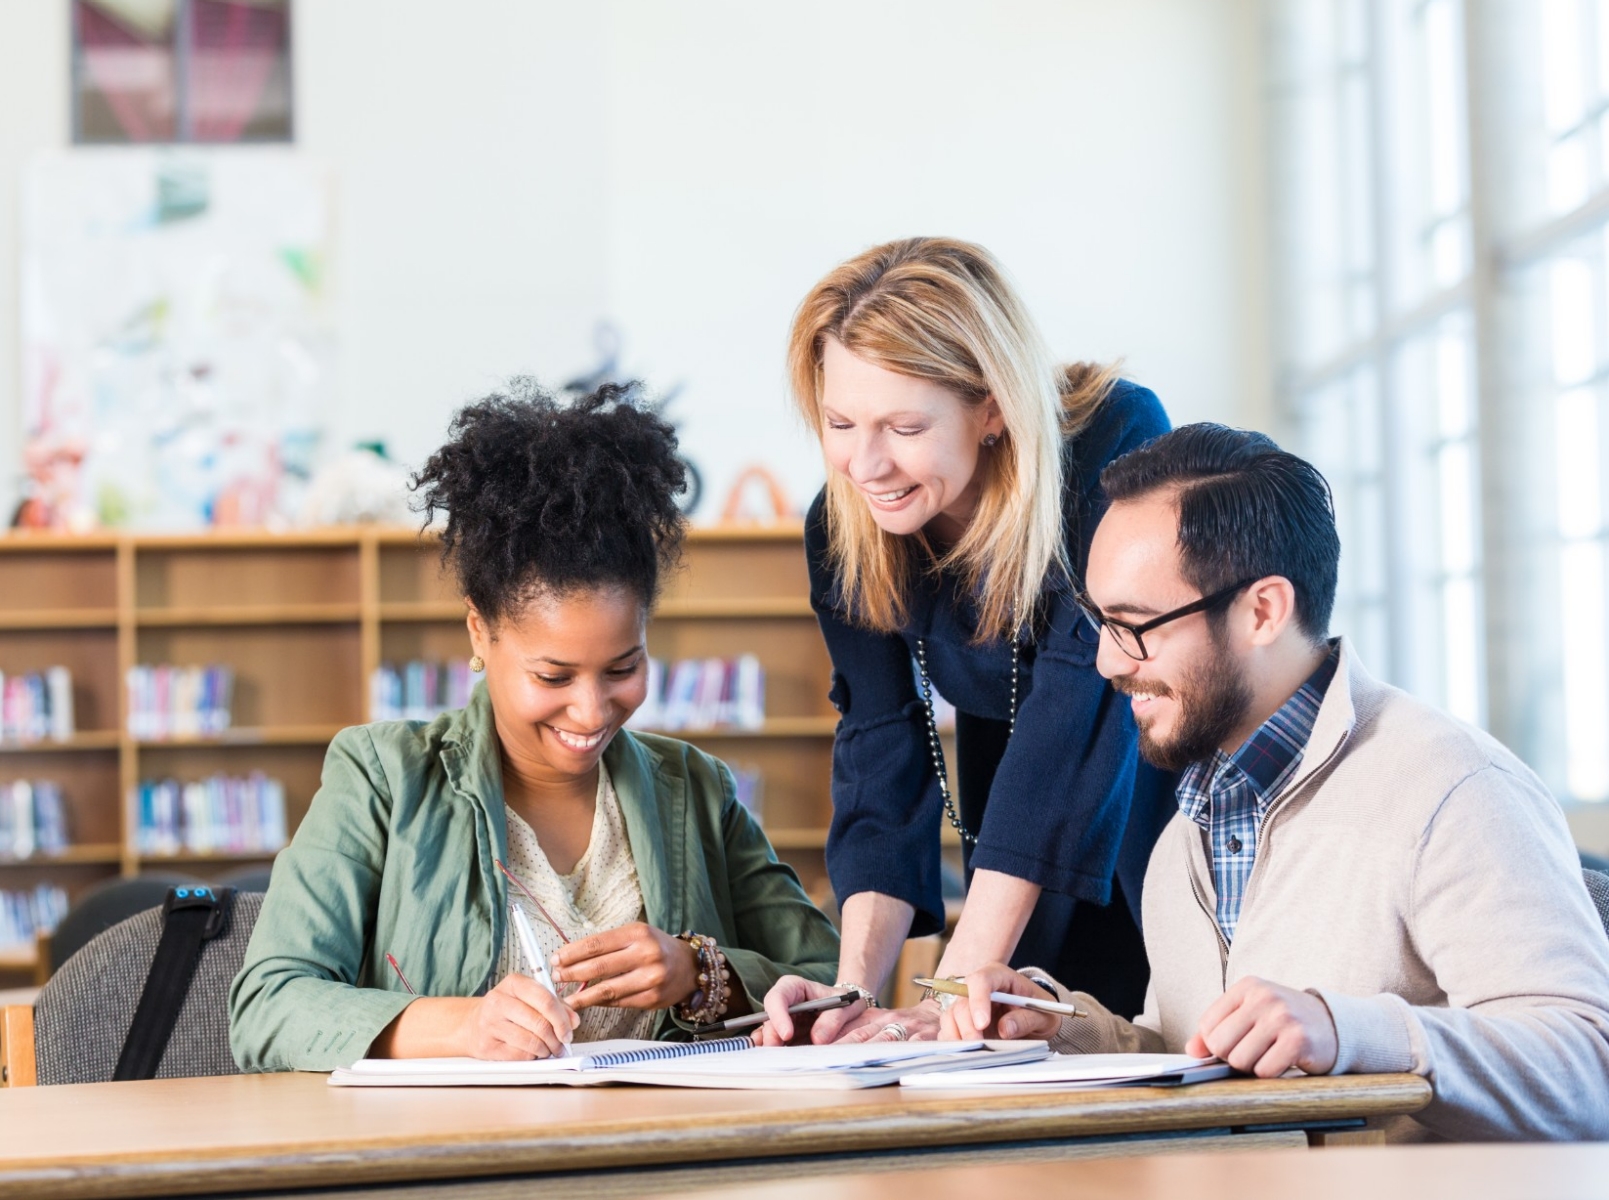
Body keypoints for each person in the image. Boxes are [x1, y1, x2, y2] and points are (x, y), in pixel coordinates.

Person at [943, 423, 1609, 1142]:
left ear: (1262, 611)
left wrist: (1343, 1028)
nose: (1106, 662)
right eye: (1098, 623)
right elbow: (1198, 1064)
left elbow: (1585, 1068)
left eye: (1135, 625)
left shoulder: (1456, 791)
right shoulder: (1183, 830)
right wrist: (1069, 1030)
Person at [230, 382, 840, 1071]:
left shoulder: (694, 789)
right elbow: (268, 1005)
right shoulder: (382, 779)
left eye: (622, 668)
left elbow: (832, 982)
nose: (590, 711)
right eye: (553, 677)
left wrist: (699, 976)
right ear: (479, 633)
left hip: (662, 1159)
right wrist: (460, 1028)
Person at [760, 237, 1177, 1045]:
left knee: (1145, 1045)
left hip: (1155, 789)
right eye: (839, 422)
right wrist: (850, 992)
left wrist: (950, 988)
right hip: (1012, 811)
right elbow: (879, 751)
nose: (864, 463)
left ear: (991, 408)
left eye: (904, 426)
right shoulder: (841, 525)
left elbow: (1075, 711)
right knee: (1004, 1048)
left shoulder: (1113, 439)